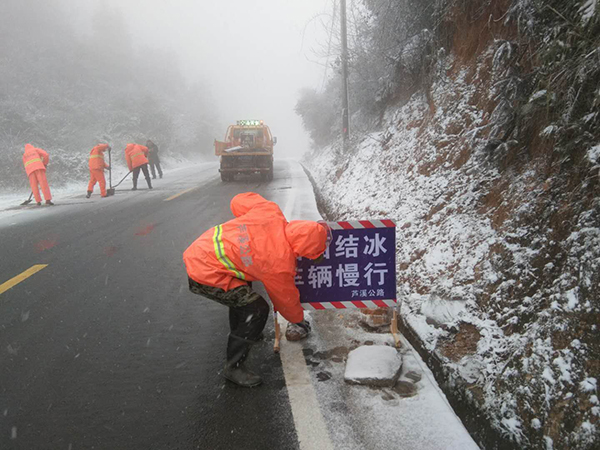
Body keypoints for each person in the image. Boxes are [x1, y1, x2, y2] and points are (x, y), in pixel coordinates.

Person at [183, 192, 328, 387]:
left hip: (202, 248)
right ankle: (233, 367)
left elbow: (238, 201)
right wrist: (298, 321)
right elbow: (286, 301)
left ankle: (245, 329)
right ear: (303, 251)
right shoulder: (280, 262)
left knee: (243, 295)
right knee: (257, 309)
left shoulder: (270, 212)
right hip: (206, 272)